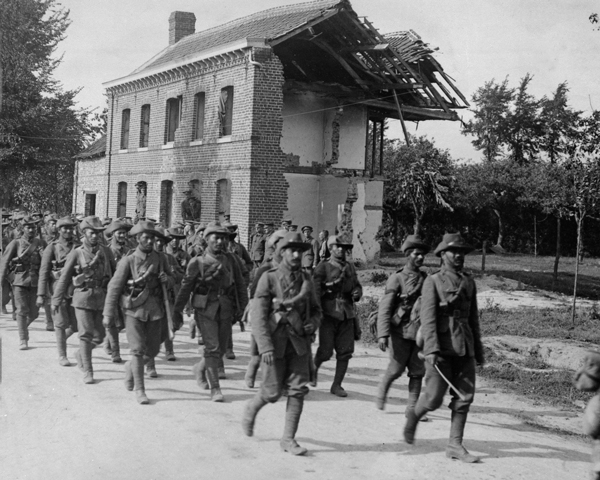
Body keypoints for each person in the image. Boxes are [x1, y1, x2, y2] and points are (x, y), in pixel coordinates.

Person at [403, 233, 485, 463]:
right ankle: (413, 417)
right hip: (440, 347)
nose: (458, 256)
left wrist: (477, 350)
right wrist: (431, 350)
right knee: (433, 399)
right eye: (453, 251)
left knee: (465, 397)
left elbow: (473, 319)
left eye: (461, 252)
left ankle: (455, 445)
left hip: (464, 346)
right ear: (442, 255)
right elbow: (428, 319)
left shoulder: (469, 282)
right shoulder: (433, 282)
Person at [242, 232, 322, 456]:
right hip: (274, 344)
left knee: (298, 391)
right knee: (272, 393)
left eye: (300, 251)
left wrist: (312, 325)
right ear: (282, 252)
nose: (296, 255)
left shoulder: (307, 279)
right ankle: (252, 407)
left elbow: (316, 310)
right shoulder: (269, 278)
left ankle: (288, 439)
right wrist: (265, 346)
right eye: (291, 250)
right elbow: (258, 317)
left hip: (299, 343)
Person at [174, 222, 248, 402]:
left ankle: (200, 368)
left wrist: (243, 309)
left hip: (226, 308)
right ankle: (215, 388)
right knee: (212, 347)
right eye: (216, 238)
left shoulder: (232, 260)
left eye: (224, 238)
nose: (221, 241)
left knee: (221, 349)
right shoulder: (197, 262)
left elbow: (239, 285)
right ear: (207, 239)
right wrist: (177, 310)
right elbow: (185, 288)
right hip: (205, 308)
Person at [102, 220, 174, 404]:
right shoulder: (129, 260)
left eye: (152, 238)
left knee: (153, 350)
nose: (150, 242)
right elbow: (114, 287)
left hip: (155, 310)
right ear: (137, 239)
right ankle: (141, 390)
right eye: (146, 238)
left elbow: (172, 280)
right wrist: (108, 313)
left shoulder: (161, 259)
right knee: (138, 350)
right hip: (134, 310)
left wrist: (168, 280)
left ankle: (131, 367)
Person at [51, 216, 113, 383]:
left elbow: (114, 277)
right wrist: (56, 300)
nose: (95, 236)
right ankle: (88, 370)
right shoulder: (76, 253)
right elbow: (64, 278)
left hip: (101, 297)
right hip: (82, 298)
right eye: (92, 233)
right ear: (84, 233)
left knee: (99, 336)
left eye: (98, 233)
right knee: (85, 334)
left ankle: (80, 354)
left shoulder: (106, 252)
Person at [376, 235, 430, 418]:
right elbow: (385, 307)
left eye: (422, 255)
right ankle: (383, 389)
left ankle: (412, 409)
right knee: (396, 369)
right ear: (408, 254)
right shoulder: (397, 278)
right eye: (416, 254)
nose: (420, 258)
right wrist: (382, 334)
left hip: (419, 332)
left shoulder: (427, 279)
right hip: (399, 331)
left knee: (417, 372)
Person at [311, 234, 362, 397]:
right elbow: (315, 291)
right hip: (328, 314)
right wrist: (317, 311)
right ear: (330, 248)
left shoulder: (350, 267)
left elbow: (357, 285)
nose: (341, 250)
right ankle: (313, 368)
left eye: (344, 247)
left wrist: (357, 293)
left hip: (347, 314)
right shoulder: (322, 267)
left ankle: (337, 385)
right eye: (337, 247)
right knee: (325, 351)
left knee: (345, 351)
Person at [37, 216, 79, 366]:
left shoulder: (78, 247)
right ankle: (62, 355)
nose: (68, 231)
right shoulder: (52, 247)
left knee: (75, 325)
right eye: (64, 228)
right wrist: (41, 294)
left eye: (70, 228)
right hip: (57, 289)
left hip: (75, 288)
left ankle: (59, 340)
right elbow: (44, 271)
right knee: (60, 323)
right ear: (59, 230)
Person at [0, 215, 45, 349]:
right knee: (21, 310)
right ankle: (23, 339)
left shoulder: (41, 243)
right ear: (23, 228)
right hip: (19, 281)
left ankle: (23, 329)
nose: (31, 230)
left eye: (33, 227)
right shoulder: (16, 243)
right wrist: (2, 279)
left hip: (35, 282)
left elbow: (46, 263)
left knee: (34, 313)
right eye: (28, 227)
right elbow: (4, 262)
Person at [103, 219, 133, 363]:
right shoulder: (107, 251)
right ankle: (115, 352)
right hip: (112, 289)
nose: (122, 236)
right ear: (113, 234)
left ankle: (108, 341)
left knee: (122, 322)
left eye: (124, 233)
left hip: (126, 290)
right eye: (119, 233)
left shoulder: (129, 251)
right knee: (113, 321)